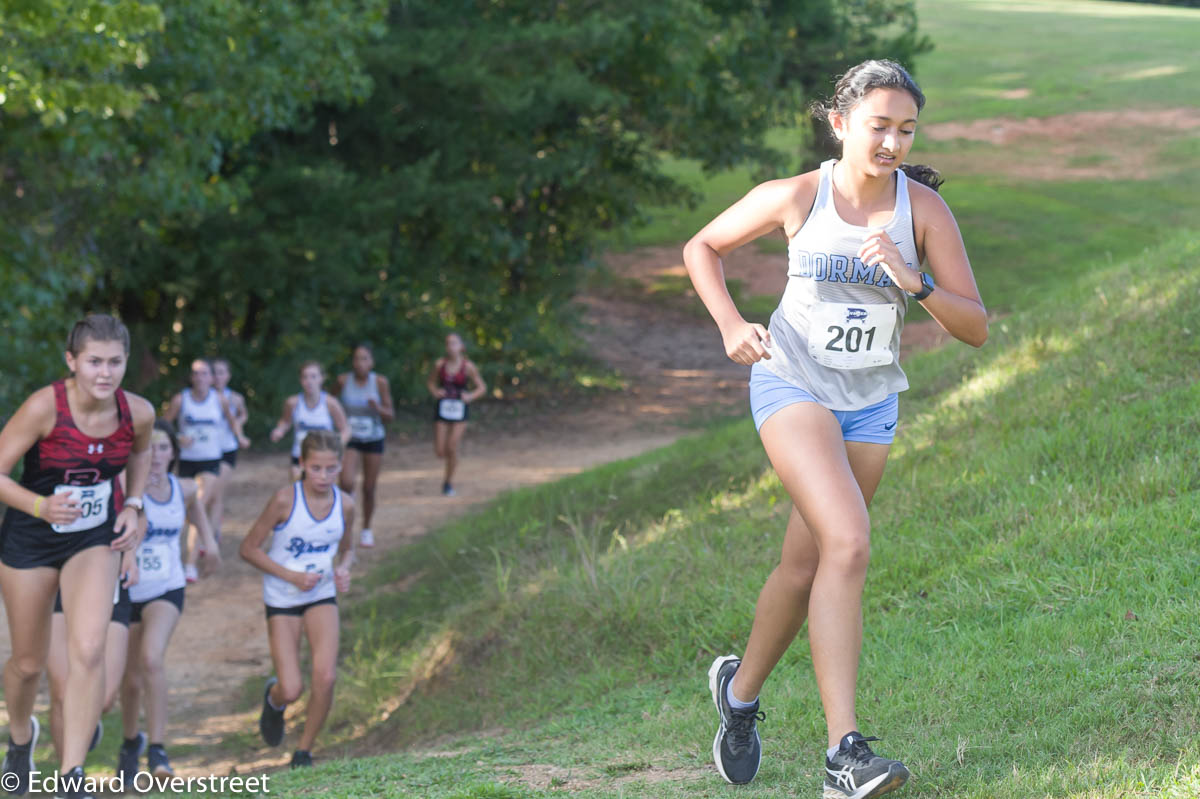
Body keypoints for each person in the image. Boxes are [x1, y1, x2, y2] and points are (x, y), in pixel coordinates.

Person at [682, 60, 987, 799]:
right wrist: (730, 325)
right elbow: (702, 247)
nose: (891, 141)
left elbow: (974, 325)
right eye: (879, 125)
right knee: (848, 539)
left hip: (871, 402)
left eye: (905, 129)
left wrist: (913, 281)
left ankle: (740, 693)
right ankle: (843, 754)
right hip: (792, 381)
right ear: (841, 121)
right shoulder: (801, 195)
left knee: (805, 563)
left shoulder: (923, 211)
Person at [0, 314, 155, 799]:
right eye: (94, 362)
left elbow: (140, 455)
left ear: (126, 362)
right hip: (32, 534)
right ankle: (21, 738)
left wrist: (133, 504)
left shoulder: (138, 413)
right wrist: (41, 505)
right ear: (72, 362)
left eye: (115, 362)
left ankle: (72, 775)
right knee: (27, 663)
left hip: (93, 537)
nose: (105, 373)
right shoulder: (46, 408)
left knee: (88, 651)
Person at [239, 430, 354, 768]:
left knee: (326, 676)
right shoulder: (284, 500)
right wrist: (290, 575)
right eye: (315, 468)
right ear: (302, 464)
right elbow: (247, 549)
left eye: (331, 469)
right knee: (291, 689)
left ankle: (304, 750)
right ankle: (274, 701)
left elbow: (347, 551)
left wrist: (344, 568)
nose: (323, 476)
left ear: (340, 466)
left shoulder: (345, 504)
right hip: (282, 597)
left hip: (321, 595)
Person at [117, 419, 221, 781]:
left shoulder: (186, 487)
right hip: (126, 589)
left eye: (164, 447)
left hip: (167, 587)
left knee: (151, 659)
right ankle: (131, 742)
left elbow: (195, 510)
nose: (157, 455)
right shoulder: (123, 488)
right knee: (128, 679)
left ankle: (158, 751)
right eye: (150, 448)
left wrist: (209, 543)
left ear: (174, 451)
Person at [46, 545, 137, 763]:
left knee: (103, 700)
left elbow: (138, 515)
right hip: (55, 571)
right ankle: (69, 780)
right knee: (61, 693)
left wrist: (131, 554)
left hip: (106, 573)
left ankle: (85, 721)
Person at [163, 359, 242, 583]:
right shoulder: (181, 400)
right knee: (186, 509)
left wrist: (240, 435)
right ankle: (193, 545)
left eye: (204, 373)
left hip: (211, 460)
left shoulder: (219, 400)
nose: (200, 378)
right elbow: (164, 427)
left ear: (211, 378)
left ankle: (189, 565)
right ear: (192, 377)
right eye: (196, 373)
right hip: (187, 461)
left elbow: (232, 421)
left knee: (199, 501)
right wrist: (178, 438)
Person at [336, 344, 394, 548]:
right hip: (351, 439)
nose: (360, 363)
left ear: (371, 362)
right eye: (356, 359)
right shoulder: (343, 381)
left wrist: (377, 408)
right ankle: (345, 521)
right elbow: (332, 406)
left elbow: (390, 415)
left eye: (364, 359)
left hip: (373, 438)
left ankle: (367, 528)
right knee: (346, 482)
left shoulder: (379, 382)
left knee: (369, 488)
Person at [269, 361, 351, 483]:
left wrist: (337, 445)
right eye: (305, 377)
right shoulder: (292, 402)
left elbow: (346, 429)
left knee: (323, 496)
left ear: (321, 378)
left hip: (325, 458)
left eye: (313, 376)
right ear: (300, 380)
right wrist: (279, 430)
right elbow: (285, 422)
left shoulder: (330, 403)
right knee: (298, 491)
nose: (309, 381)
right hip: (300, 455)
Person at [426, 334, 486, 496]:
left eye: (454, 343)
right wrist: (435, 391)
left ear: (461, 346)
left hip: (460, 410)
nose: (450, 346)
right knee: (440, 451)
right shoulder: (440, 365)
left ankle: (448, 482)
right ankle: (451, 461)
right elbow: (431, 382)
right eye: (448, 344)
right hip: (443, 408)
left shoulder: (468, 367)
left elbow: (482, 387)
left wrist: (470, 396)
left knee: (452, 447)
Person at [211, 357, 251, 537]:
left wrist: (239, 427)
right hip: (205, 452)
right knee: (205, 494)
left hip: (227, 448)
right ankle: (207, 529)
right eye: (214, 373)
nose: (217, 377)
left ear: (228, 375)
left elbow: (243, 415)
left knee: (216, 493)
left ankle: (214, 533)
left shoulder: (235, 398)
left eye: (221, 372)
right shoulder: (202, 397)